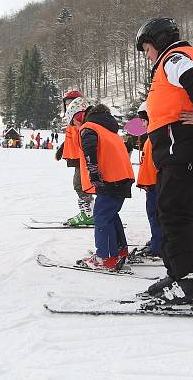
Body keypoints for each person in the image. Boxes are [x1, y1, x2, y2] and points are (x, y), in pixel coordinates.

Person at [135, 17, 193, 305]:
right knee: (169, 213)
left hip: (187, 152)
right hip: (180, 154)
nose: (147, 56)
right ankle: (180, 275)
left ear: (158, 41)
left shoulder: (173, 58)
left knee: (174, 215)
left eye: (147, 48)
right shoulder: (166, 68)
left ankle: (191, 284)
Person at [70, 101, 134, 271]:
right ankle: (119, 250)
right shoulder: (106, 126)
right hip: (121, 177)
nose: (74, 125)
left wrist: (93, 172)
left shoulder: (89, 127)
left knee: (101, 217)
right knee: (110, 214)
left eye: (73, 121)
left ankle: (106, 257)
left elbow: (90, 148)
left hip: (110, 178)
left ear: (78, 116)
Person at [54, 90, 94, 226]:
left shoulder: (80, 116)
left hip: (82, 157)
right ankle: (89, 212)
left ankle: (88, 214)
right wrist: (62, 149)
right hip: (76, 157)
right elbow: (72, 138)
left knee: (79, 184)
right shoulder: (72, 118)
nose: (68, 105)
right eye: (66, 103)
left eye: (70, 102)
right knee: (80, 184)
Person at [133, 102, 162, 259]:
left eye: (145, 120)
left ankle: (158, 246)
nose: (142, 124)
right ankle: (156, 241)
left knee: (155, 216)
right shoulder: (150, 138)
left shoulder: (155, 139)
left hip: (155, 185)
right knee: (153, 215)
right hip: (150, 185)